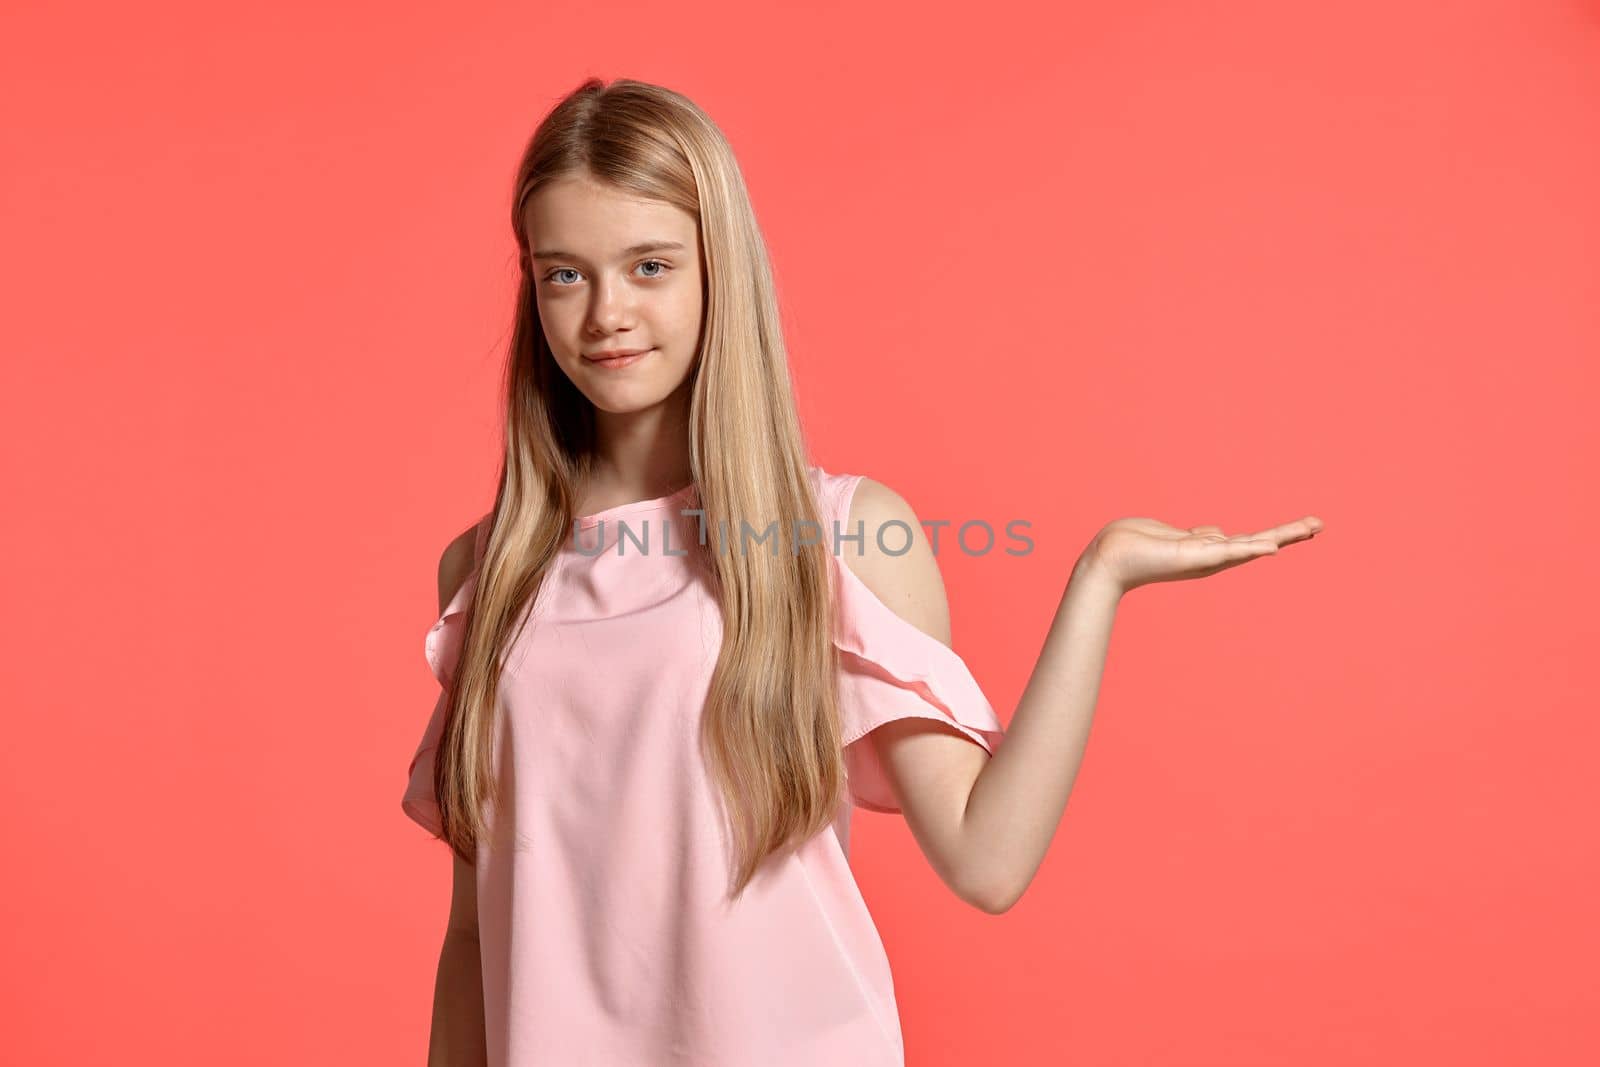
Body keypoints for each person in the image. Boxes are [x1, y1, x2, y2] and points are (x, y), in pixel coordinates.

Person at [401, 77, 1324, 1067]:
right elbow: (474, 930)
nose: (606, 314)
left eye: (650, 265)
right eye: (564, 275)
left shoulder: (840, 534)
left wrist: (1099, 579)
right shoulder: (488, 571)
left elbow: (986, 857)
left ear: (720, 270)